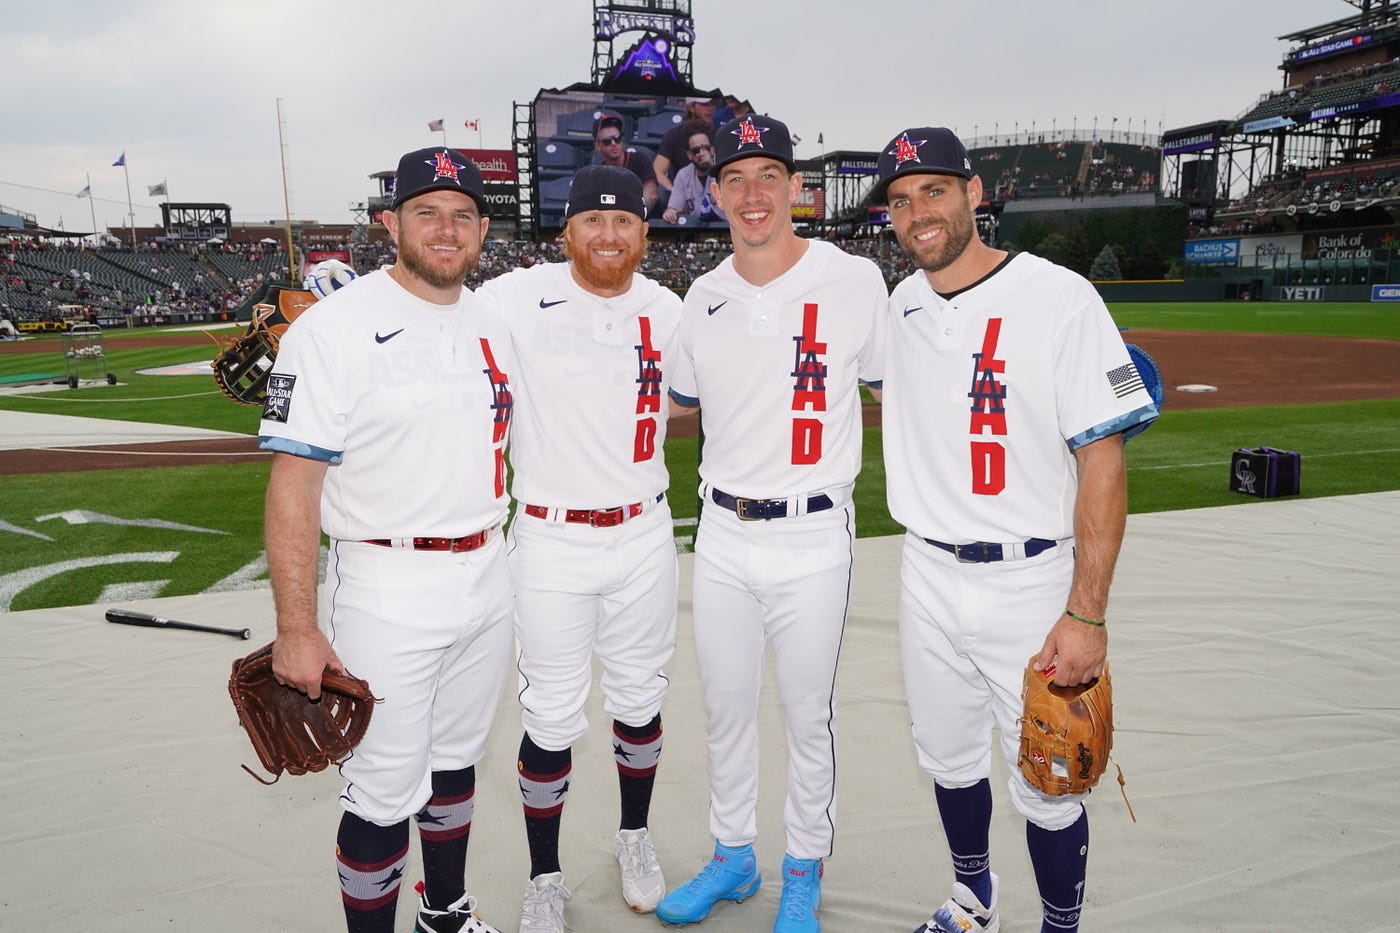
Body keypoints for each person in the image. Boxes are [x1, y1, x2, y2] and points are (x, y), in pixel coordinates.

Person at [869, 126, 1159, 933]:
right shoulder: (900, 305)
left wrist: (1087, 610)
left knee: (1051, 773)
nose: (917, 211)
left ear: (973, 193)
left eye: (933, 190)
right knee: (949, 758)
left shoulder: (1059, 296)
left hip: (1030, 579)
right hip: (926, 569)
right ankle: (972, 898)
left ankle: (1060, 926)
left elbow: (1104, 459)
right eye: (899, 199)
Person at [259, 146, 514, 933]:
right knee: (380, 790)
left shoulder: (493, 320)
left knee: (455, 762)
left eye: (464, 214)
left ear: (482, 230)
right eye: (427, 212)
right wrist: (298, 628)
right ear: (389, 223)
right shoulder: (334, 329)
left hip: (487, 570)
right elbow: (293, 485)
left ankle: (446, 913)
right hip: (388, 586)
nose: (447, 228)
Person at [657, 114, 888, 933]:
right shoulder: (704, 294)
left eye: (768, 176)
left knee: (805, 712)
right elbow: (681, 401)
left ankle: (803, 865)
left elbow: (900, 387)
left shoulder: (855, 279)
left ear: (796, 187)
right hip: (721, 533)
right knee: (724, 706)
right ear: (713, 193)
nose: (752, 195)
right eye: (735, 179)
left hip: (813, 532)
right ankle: (733, 855)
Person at [475, 165, 683, 933]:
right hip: (552, 534)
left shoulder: (669, 309)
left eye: (622, 221)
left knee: (640, 699)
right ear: (565, 231)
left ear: (643, 232)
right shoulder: (512, 297)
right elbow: (431, 307)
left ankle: (634, 836)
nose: (607, 234)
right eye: (591, 221)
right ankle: (545, 876)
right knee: (551, 716)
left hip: (643, 530)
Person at [593, 112, 659, 218]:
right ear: (597, 146)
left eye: (617, 138)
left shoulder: (640, 160)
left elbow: (652, 194)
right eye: (607, 141)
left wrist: (633, 215)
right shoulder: (598, 173)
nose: (614, 143)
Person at [661, 121, 723, 226]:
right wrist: (670, 212)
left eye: (706, 148)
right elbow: (674, 207)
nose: (702, 153)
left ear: (712, 150)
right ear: (689, 155)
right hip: (696, 230)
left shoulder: (724, 169)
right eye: (696, 150)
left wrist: (711, 166)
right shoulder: (683, 175)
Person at [652, 96, 717, 194]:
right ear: (691, 107)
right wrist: (676, 193)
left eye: (712, 104)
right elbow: (657, 171)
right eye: (705, 104)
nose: (710, 108)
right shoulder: (674, 135)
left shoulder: (718, 134)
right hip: (685, 192)